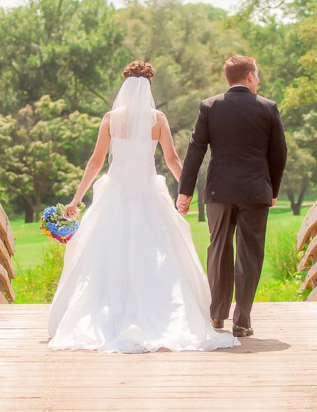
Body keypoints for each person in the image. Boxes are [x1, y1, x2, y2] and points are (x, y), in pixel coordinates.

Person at [48, 61, 239, 353]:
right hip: (149, 193)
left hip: (116, 194)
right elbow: (173, 159)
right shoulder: (157, 119)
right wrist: (186, 191)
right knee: (158, 255)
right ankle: (160, 313)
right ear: (148, 88)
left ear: (125, 87)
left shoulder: (111, 118)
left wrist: (77, 199)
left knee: (106, 255)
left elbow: (96, 162)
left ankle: (107, 315)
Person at [177, 55, 287, 338]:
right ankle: (242, 321)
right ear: (249, 76)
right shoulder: (268, 108)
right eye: (258, 75)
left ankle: (216, 315)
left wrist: (185, 192)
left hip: (219, 192)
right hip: (255, 191)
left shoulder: (210, 107)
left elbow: (196, 150)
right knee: (249, 254)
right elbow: (279, 155)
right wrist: (272, 190)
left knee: (218, 248)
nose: (259, 80)